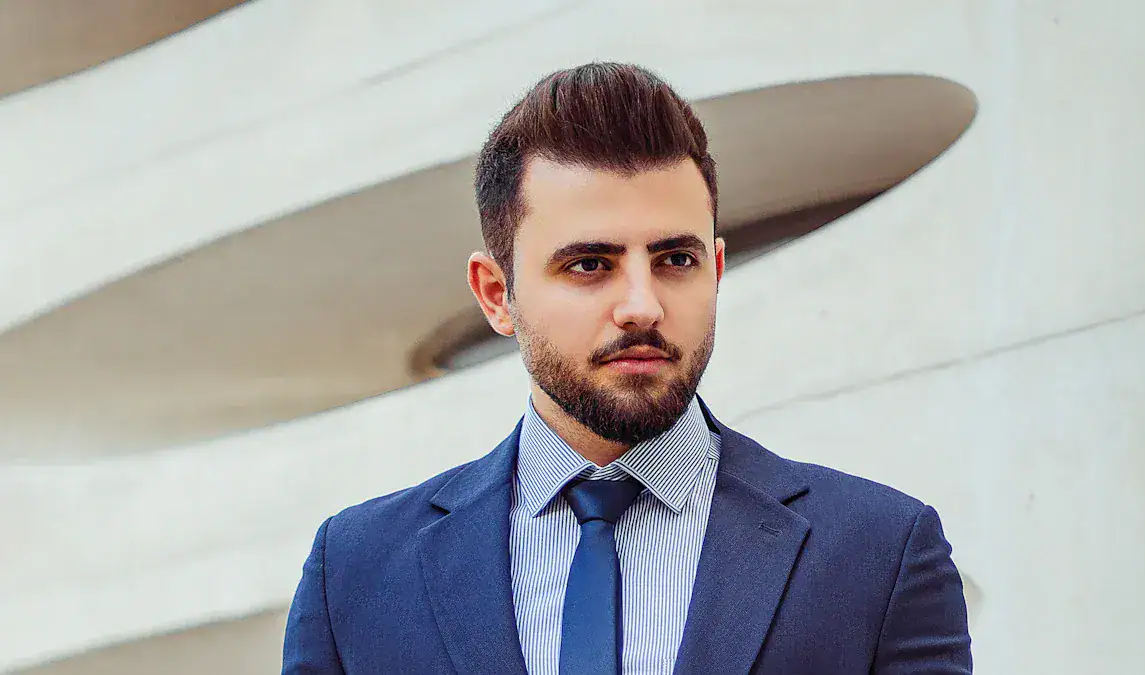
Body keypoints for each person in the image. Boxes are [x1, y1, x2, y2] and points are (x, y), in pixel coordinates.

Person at [282, 62, 972, 675]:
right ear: (497, 294)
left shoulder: (878, 556)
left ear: (717, 270)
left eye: (676, 260)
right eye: (590, 264)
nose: (641, 306)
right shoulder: (356, 575)